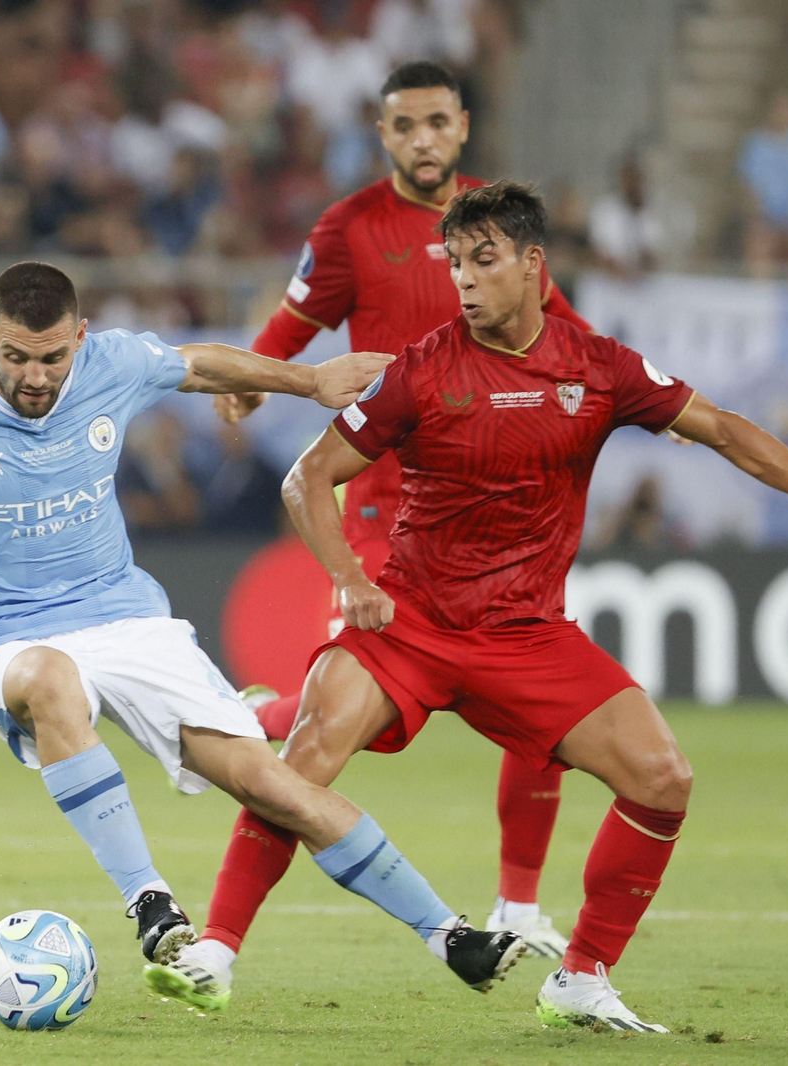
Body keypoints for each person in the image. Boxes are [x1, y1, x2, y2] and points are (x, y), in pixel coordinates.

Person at [154, 182, 788, 1029]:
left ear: (532, 265)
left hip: (526, 633)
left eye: (485, 261)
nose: (465, 282)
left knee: (663, 780)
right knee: (307, 759)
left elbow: (725, 429)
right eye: (455, 264)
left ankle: (582, 977)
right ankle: (214, 951)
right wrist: (350, 579)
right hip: (411, 622)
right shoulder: (422, 369)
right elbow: (309, 478)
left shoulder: (600, 367)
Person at [0, 261, 523, 997]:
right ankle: (150, 900)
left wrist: (309, 381)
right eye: (14, 356)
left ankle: (449, 935)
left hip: (122, 614)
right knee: (50, 678)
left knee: (268, 786)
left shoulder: (113, 361)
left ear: (81, 338)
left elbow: (194, 364)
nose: (36, 376)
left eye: (53, 356)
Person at [221, 59, 592, 958]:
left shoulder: (498, 230)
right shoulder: (350, 228)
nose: (422, 139)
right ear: (381, 134)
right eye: (404, 126)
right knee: (361, 690)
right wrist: (253, 379)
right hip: (394, 500)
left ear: (462, 126)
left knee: (539, 699)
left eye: (437, 122)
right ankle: (244, 739)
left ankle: (517, 903)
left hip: (502, 504)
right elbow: (297, 315)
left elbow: (562, 331)